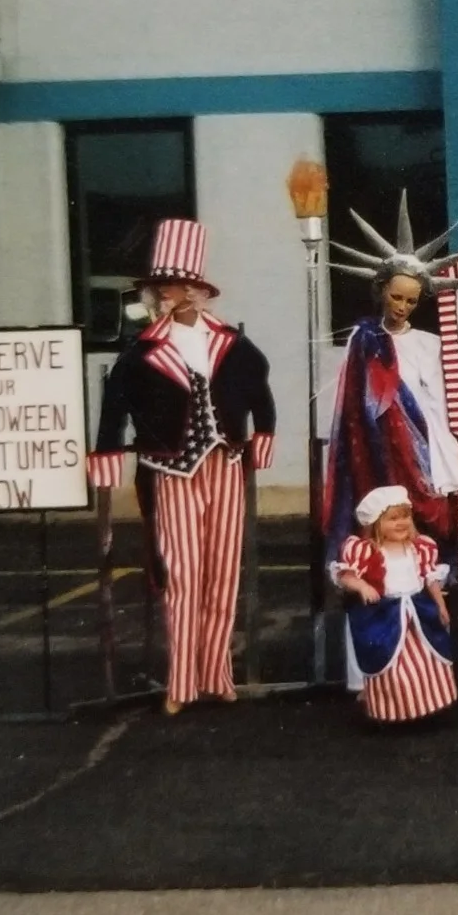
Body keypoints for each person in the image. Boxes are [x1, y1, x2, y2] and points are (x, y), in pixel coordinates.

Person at [88, 218, 276, 715]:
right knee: (184, 574)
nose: (175, 293)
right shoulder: (143, 351)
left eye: (184, 284)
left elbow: (259, 386)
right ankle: (182, 681)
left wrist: (263, 434)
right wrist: (107, 455)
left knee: (222, 572)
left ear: (200, 289)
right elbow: (115, 403)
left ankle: (217, 674)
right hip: (172, 469)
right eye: (166, 286)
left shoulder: (231, 343)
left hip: (226, 463)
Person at [323, 193, 458, 689]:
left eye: (412, 299)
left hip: (431, 457)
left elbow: (445, 401)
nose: (403, 305)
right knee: (389, 546)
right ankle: (384, 651)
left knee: (436, 547)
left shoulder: (431, 342)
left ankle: (444, 642)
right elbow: (356, 406)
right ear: (380, 291)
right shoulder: (364, 339)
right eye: (397, 296)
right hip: (383, 460)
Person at [332, 485, 458, 724]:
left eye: (405, 516)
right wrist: (363, 587)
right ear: (376, 523)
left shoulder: (419, 548)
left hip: (418, 614)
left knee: (426, 664)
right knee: (393, 668)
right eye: (393, 519)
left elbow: (429, 579)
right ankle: (393, 714)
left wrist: (440, 606)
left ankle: (426, 709)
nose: (401, 523)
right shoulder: (366, 551)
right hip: (385, 616)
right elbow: (345, 575)